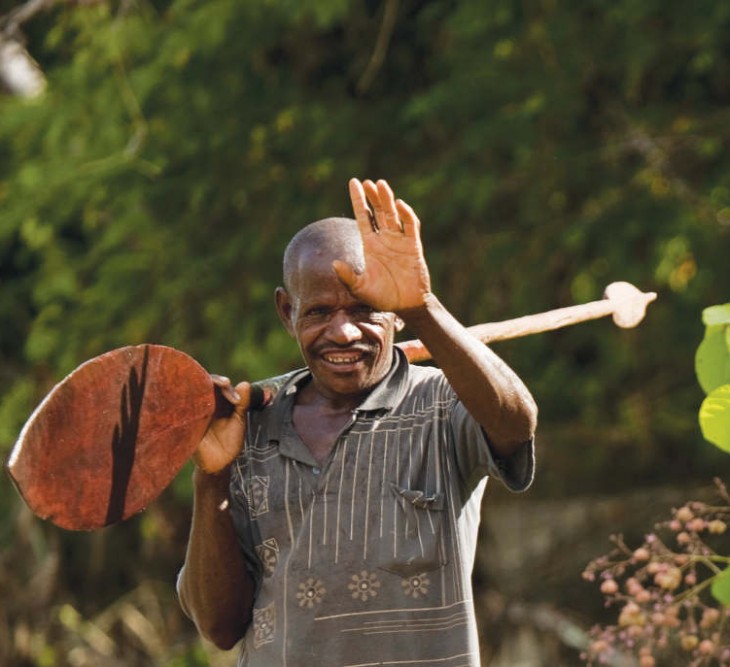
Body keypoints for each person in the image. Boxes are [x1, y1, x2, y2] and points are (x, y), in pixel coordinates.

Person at [177, 178, 538, 666]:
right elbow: (218, 627)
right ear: (287, 312)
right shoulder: (248, 429)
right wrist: (212, 475)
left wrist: (423, 306)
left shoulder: (444, 404)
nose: (343, 332)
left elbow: (516, 424)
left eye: (366, 308)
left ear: (396, 312)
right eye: (320, 312)